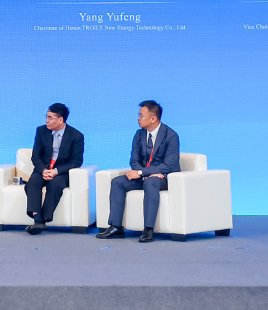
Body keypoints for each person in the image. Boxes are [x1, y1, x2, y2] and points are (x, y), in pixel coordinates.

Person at [98, 100, 180, 243]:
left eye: (141, 116)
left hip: (164, 178)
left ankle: (148, 229)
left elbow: (168, 165)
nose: (138, 118)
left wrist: (143, 173)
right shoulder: (139, 134)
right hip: (144, 176)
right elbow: (134, 160)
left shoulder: (171, 135)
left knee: (151, 182)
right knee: (118, 182)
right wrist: (142, 173)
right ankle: (116, 227)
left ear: (153, 118)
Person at [25, 103, 84, 234]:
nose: (46, 120)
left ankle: (44, 219)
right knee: (32, 183)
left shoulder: (76, 136)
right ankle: (37, 219)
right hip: (43, 170)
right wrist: (44, 170)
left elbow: (76, 161)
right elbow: (36, 156)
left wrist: (56, 171)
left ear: (60, 119)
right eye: (46, 117)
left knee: (55, 185)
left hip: (61, 173)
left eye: (50, 117)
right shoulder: (41, 131)